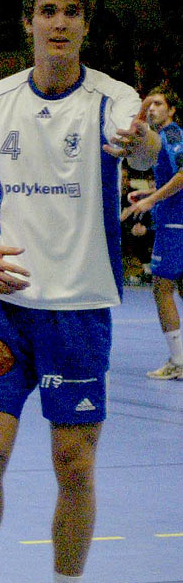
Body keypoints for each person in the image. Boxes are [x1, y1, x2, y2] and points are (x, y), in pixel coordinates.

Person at [0, 0, 159, 583]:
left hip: (81, 311)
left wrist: (146, 146)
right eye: (46, 10)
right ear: (29, 23)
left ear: (86, 25)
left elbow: (148, 151)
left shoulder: (114, 101)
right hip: (6, 305)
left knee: (74, 464)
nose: (59, 21)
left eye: (72, 10)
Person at [121, 85, 183, 378]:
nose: (153, 109)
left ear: (171, 110)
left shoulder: (173, 136)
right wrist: (147, 191)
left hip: (176, 223)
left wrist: (150, 199)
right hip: (171, 219)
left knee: (161, 288)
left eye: (159, 104)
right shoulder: (163, 140)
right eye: (151, 104)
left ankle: (179, 361)